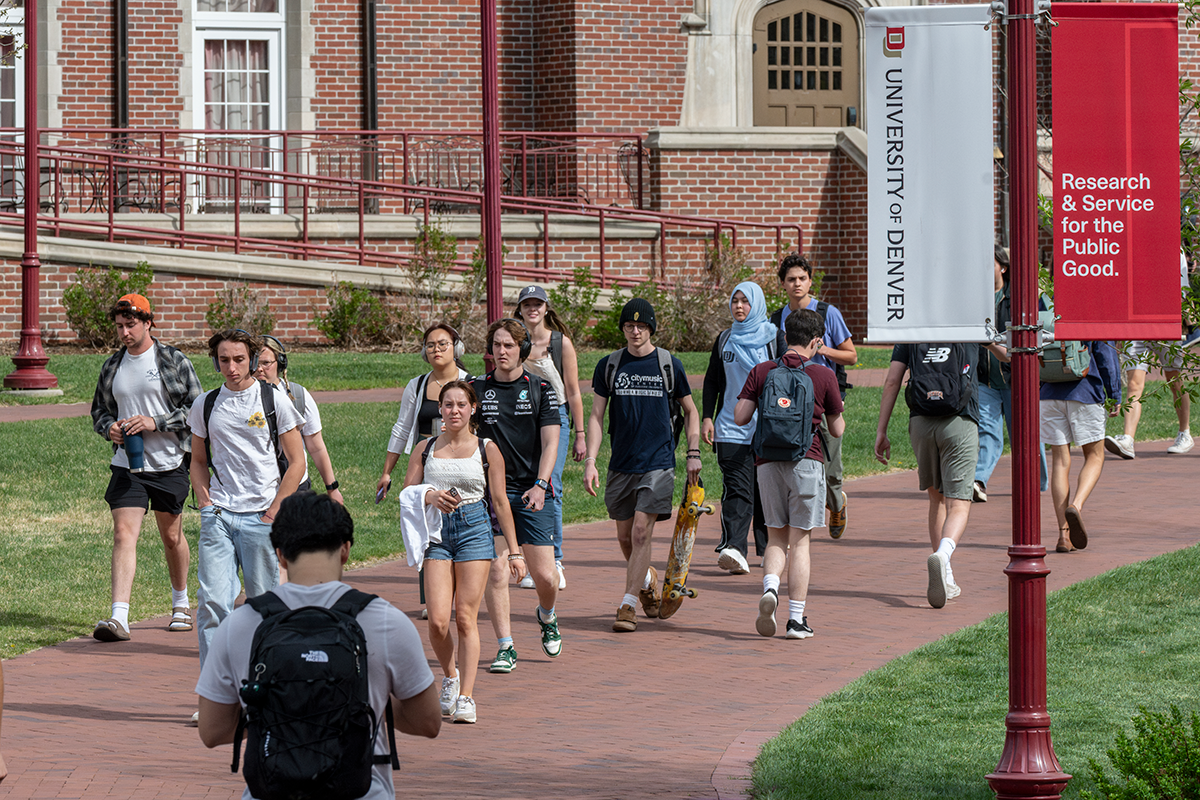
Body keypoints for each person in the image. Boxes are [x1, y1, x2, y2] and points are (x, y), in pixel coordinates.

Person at [196, 492, 441, 798]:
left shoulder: (240, 624)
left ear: (280, 554)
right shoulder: (387, 622)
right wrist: (363, 700)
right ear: (345, 550)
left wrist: (278, 709)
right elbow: (428, 721)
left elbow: (212, 730)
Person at [187, 329, 307, 701]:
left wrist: (274, 509)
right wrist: (206, 503)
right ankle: (215, 696)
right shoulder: (205, 404)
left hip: (261, 518)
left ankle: (266, 691)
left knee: (264, 606)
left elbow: (297, 461)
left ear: (253, 360)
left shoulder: (274, 400)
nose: (232, 367)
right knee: (212, 606)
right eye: (224, 360)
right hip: (220, 517)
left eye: (239, 359)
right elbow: (198, 460)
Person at [404, 381, 525, 723]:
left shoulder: (487, 449)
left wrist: (515, 552)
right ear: (440, 409)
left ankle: (467, 697)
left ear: (473, 409)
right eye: (447, 404)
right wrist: (429, 496)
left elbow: (500, 502)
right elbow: (407, 492)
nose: (454, 410)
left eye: (461, 404)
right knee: (439, 621)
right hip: (438, 534)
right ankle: (450, 676)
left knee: (465, 618)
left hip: (474, 530)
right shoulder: (425, 448)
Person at [89, 293, 202, 642]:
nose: (124, 332)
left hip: (168, 464)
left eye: (130, 325)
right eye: (120, 327)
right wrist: (108, 427)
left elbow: (198, 408)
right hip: (127, 465)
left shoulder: (172, 360)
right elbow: (99, 410)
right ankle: (119, 617)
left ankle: (181, 603)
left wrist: (156, 422)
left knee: (171, 536)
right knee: (124, 534)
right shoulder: (112, 365)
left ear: (148, 322)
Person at [584, 298, 702, 633]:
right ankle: (647, 580)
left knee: (640, 531)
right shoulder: (609, 365)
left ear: (651, 329)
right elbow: (596, 416)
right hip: (621, 463)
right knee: (624, 537)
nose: (635, 332)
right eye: (629, 326)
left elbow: (691, 411)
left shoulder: (668, 364)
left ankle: (627, 605)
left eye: (642, 326)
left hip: (659, 461)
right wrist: (591, 460)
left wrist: (693, 452)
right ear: (622, 328)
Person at [734, 309, 843, 639]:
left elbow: (740, 416)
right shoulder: (823, 376)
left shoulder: (763, 371)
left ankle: (770, 589)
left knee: (775, 535)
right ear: (816, 341)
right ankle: (796, 620)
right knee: (801, 542)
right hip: (806, 462)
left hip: (767, 463)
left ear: (785, 336)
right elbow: (837, 430)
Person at [875, 339, 1000, 608]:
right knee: (959, 502)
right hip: (960, 419)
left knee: (937, 500)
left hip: (921, 421)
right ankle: (943, 556)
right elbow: (1008, 355)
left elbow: (892, 381)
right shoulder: (968, 325)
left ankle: (946, 575)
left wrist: (881, 430)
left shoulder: (914, 329)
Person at [473, 318, 563, 672]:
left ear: (522, 349)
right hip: (488, 494)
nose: (502, 351)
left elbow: (551, 441)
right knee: (497, 572)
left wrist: (541, 485)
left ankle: (547, 614)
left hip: (531, 490)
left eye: (509, 345)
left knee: (546, 577)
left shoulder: (541, 388)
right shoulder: (476, 390)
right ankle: (505, 646)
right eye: (496, 345)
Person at [377, 323, 471, 617]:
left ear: (456, 348)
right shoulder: (416, 385)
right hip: (426, 460)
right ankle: (434, 597)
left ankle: (459, 594)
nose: (436, 350)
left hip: (460, 459)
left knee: (459, 521)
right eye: (430, 345)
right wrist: (387, 471)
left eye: (443, 344)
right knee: (425, 523)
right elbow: (402, 428)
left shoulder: (472, 382)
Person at [770, 253, 857, 538]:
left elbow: (852, 356)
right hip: (790, 404)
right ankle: (796, 527)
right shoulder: (776, 319)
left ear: (810, 281)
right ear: (783, 284)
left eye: (802, 279)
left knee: (830, 471)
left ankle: (837, 502)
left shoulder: (827, 313)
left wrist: (823, 350)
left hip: (824, 400)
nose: (797, 284)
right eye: (791, 279)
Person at [702, 281, 786, 573]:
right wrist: (707, 417)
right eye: (735, 300)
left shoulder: (774, 339)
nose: (739, 306)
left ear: (757, 304)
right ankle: (735, 548)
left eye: (745, 301)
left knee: (765, 490)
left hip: (767, 429)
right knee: (737, 488)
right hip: (730, 426)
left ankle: (768, 550)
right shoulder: (725, 340)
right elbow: (712, 379)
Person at [514, 284, 587, 591]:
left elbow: (572, 391)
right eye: (527, 304)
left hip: (555, 418)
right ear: (519, 309)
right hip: (521, 419)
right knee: (523, 484)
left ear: (546, 308)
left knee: (549, 485)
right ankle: (532, 560)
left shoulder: (560, 343)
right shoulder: (514, 341)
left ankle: (554, 560)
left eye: (538, 303)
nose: (533, 308)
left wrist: (581, 434)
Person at [973, 245, 1049, 501]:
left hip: (1016, 378)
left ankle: (1036, 483)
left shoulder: (1017, 299)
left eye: (990, 263)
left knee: (1025, 434)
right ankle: (979, 481)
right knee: (987, 433)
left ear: (1003, 268)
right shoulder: (977, 299)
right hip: (985, 381)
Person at [1042, 339, 1122, 552]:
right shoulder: (1093, 314)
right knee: (1095, 456)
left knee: (1060, 462)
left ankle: (1063, 536)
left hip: (1049, 393)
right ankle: (1075, 505)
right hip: (1085, 392)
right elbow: (1106, 356)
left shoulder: (1047, 308)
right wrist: (1114, 394)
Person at [255, 335, 344, 503]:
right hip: (257, 488)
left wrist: (332, 488)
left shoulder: (298, 396)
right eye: (255, 363)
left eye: (266, 363)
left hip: (296, 485)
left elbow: (316, 447)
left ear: (280, 363)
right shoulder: (239, 399)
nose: (259, 369)